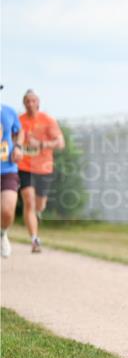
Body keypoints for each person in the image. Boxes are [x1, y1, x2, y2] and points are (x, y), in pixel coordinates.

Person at [18, 90, 64, 254]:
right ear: (24, 103)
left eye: (33, 101)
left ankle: (37, 214)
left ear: (38, 102)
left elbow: (60, 143)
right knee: (28, 201)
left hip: (44, 167)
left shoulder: (47, 120)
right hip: (24, 167)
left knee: (39, 204)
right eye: (27, 101)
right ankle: (34, 240)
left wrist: (41, 144)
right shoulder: (19, 120)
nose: (30, 104)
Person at [1, 97, 24, 258]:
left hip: (7, 168)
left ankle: (2, 234)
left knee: (7, 211)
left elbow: (20, 131)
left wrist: (18, 146)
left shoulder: (8, 111)